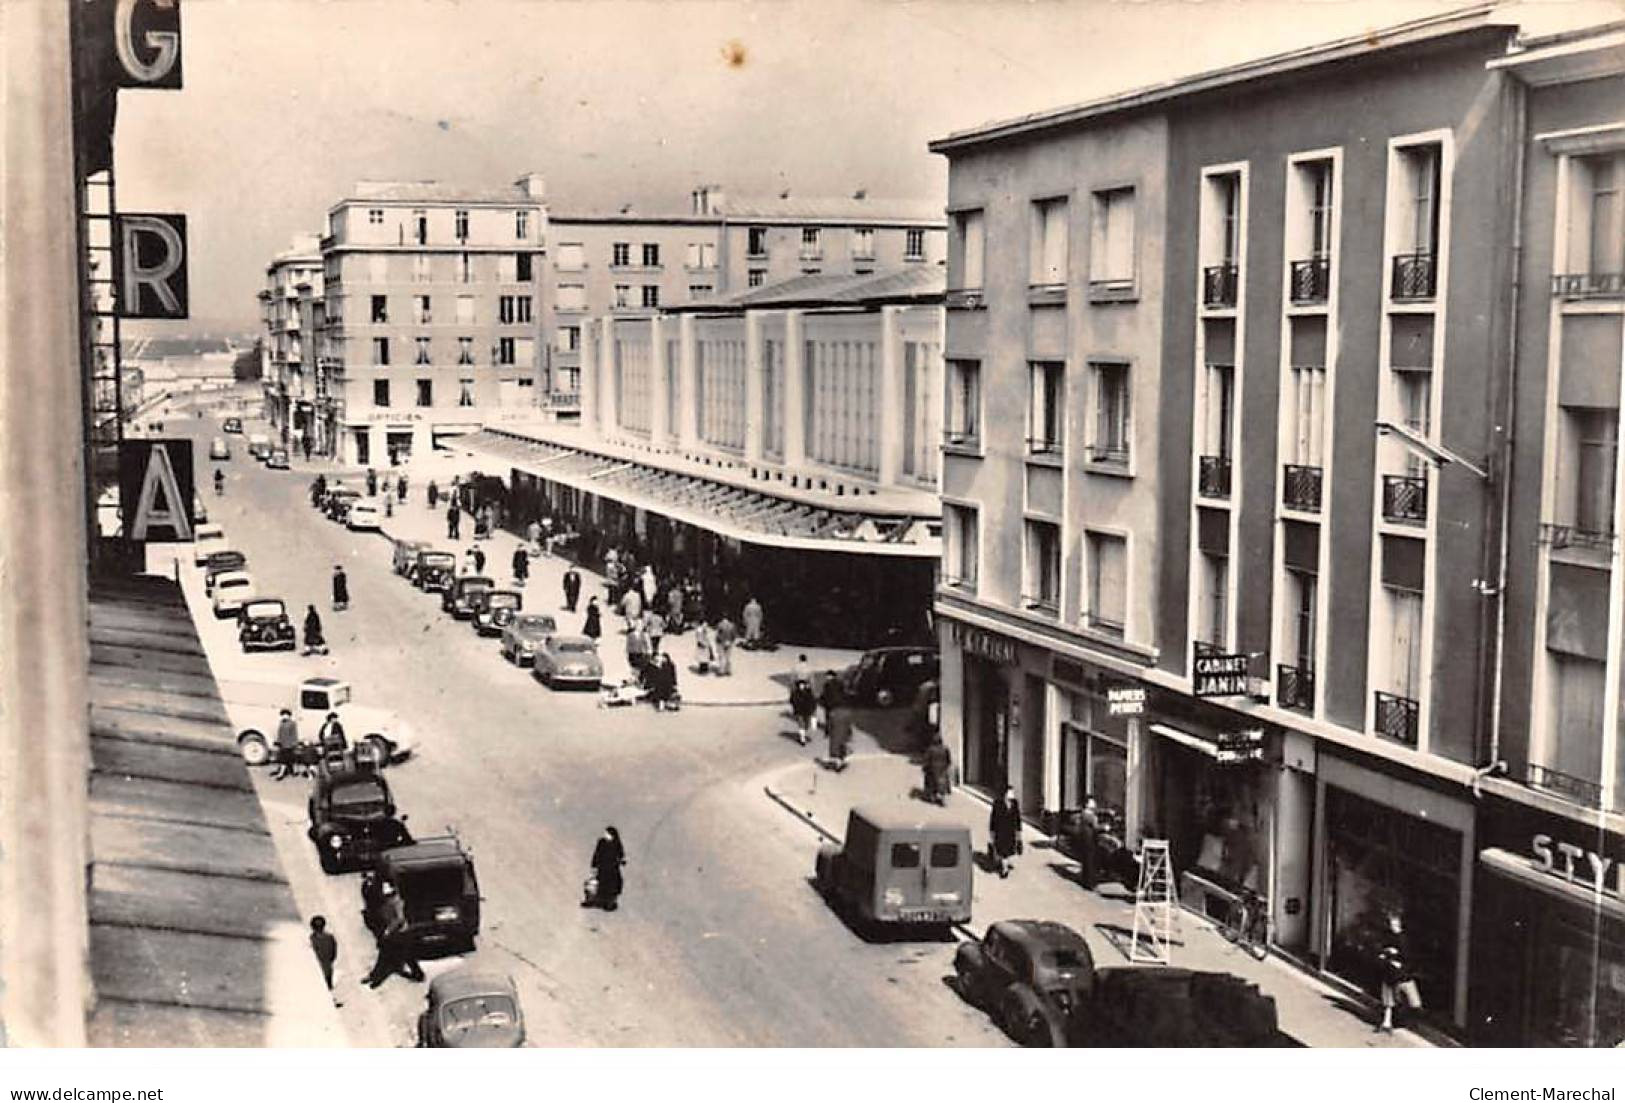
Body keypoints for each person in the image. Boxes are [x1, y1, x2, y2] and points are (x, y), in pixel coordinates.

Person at [1375, 911, 1413, 1033]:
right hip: (1389, 971)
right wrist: (1384, 954)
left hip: (1398, 973)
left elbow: (1406, 956)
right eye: (1391, 924)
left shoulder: (1403, 939)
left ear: (1399, 924)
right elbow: (1382, 948)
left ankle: (1394, 1020)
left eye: (1394, 924)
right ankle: (1387, 1021)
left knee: (1397, 996)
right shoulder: (1389, 936)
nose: (1392, 926)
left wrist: (1395, 955)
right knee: (1389, 995)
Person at [364, 914, 425, 988]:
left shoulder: (397, 905)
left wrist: (389, 931)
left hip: (401, 936)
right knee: (405, 956)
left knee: (386, 956)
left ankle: (374, 977)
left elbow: (400, 919)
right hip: (399, 936)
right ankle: (374, 977)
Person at [589, 827, 626, 911]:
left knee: (616, 882)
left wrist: (621, 860)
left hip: (612, 867)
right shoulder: (601, 842)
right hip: (602, 866)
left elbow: (621, 854)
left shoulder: (616, 843)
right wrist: (594, 865)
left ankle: (610, 898)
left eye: (608, 834)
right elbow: (597, 854)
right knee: (600, 882)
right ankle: (599, 898)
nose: (606, 835)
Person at [989, 786, 1022, 879]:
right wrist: (992, 832)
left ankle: (1003, 863)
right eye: (1010, 792)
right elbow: (993, 818)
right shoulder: (997, 803)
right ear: (1005, 793)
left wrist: (1019, 832)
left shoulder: (1015, 803)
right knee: (1003, 852)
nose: (1012, 794)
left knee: (1008, 851)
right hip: (1001, 832)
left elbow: (1017, 818)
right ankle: (1004, 870)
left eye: (1012, 792)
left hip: (1010, 832)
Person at [309, 916, 339, 997]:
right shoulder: (311, 939)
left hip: (326, 966)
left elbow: (333, 952)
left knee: (327, 984)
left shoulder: (329, 937)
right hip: (322, 966)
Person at [1075, 798, 1101, 889]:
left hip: (1084, 839)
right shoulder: (1090, 815)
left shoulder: (1083, 814)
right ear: (1088, 804)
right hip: (1090, 840)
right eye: (1092, 802)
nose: (1095, 803)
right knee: (1091, 861)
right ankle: (1090, 883)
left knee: (1086, 861)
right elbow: (1096, 827)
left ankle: (1085, 880)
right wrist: (1105, 828)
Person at [922, 733, 952, 805]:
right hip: (942, 769)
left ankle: (932, 798)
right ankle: (943, 799)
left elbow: (927, 760)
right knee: (942, 784)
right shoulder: (945, 749)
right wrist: (947, 766)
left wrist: (925, 768)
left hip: (932, 769)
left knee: (931, 784)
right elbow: (948, 760)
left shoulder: (930, 750)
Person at [272, 708, 301, 780]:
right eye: (283, 715)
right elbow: (279, 734)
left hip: (289, 745)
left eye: (286, 715)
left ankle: (282, 774)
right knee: (286, 760)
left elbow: (294, 734)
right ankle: (288, 772)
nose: (284, 716)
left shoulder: (292, 723)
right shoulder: (281, 723)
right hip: (282, 744)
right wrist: (278, 742)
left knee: (286, 760)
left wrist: (294, 743)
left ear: (289, 716)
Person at [790, 674, 817, 747]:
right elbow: (792, 701)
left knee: (806, 725)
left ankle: (803, 735)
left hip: (807, 711)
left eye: (803, 685)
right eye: (800, 685)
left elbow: (812, 701)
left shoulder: (808, 692)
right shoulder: (795, 693)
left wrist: (812, 709)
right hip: (799, 711)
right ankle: (802, 739)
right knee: (801, 724)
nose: (801, 686)